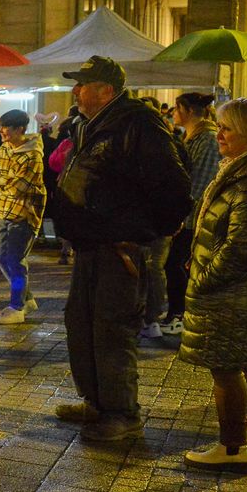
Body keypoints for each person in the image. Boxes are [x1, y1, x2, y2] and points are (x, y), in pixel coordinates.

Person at [48, 56, 191, 442]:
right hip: (90, 245)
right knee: (81, 324)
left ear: (106, 90)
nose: (75, 91)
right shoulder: (90, 124)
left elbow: (174, 184)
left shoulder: (137, 123)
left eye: (82, 85)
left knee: (113, 328)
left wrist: (146, 231)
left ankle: (122, 411)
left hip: (120, 248)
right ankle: (95, 401)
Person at [177, 98, 247, 467]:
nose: (219, 134)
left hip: (232, 294)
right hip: (242, 292)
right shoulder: (243, 170)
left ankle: (232, 449)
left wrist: (204, 279)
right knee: (245, 362)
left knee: (227, 368)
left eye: (228, 128)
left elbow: (243, 245)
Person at [161, 92, 219, 334]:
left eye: (177, 109)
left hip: (192, 217)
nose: (173, 114)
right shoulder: (191, 136)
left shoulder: (208, 140)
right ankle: (176, 311)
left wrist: (180, 216)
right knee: (173, 264)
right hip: (184, 214)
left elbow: (199, 183)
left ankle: (181, 314)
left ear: (188, 110)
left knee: (177, 264)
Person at [0, 109, 45, 324]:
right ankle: (26, 299)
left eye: (6, 127)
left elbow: (18, 188)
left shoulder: (33, 155)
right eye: (1, 127)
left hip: (23, 212)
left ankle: (16, 307)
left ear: (20, 129)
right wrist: (5, 179)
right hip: (2, 208)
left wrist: (2, 180)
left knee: (15, 260)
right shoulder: (4, 148)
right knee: (2, 258)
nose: (1, 131)